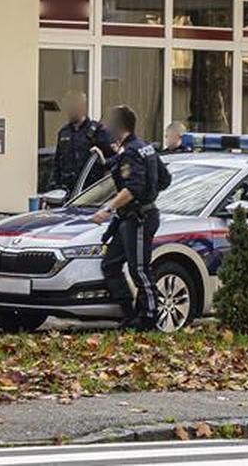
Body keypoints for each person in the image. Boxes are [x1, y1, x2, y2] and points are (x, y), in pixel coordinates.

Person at [90, 105, 170, 331]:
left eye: (109, 124)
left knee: (140, 270)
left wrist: (107, 208)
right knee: (111, 264)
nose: (105, 128)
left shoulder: (133, 152)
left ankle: (151, 318)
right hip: (131, 217)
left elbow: (132, 188)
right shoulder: (144, 148)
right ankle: (130, 315)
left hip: (139, 218)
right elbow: (165, 180)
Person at [47, 90, 114, 193]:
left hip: (90, 192)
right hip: (67, 193)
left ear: (82, 107)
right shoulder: (64, 133)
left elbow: (113, 161)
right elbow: (57, 165)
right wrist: (52, 190)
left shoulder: (98, 131)